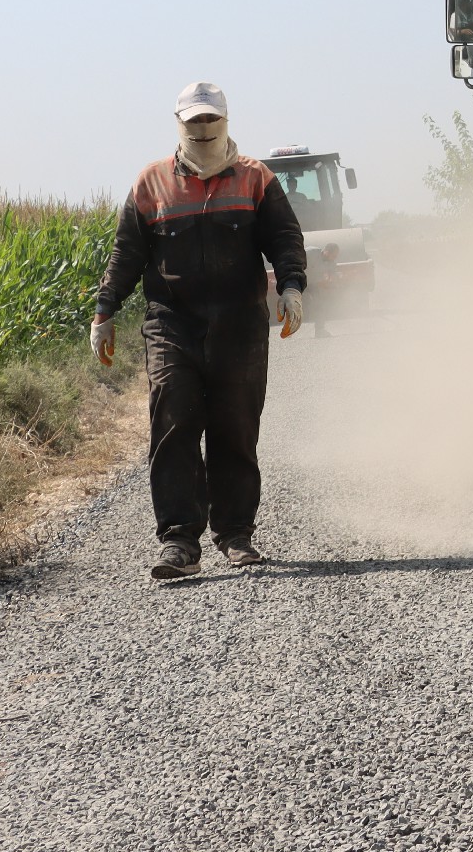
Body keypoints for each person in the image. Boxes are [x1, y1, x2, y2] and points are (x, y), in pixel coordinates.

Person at [91, 81, 309, 579]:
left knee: (235, 428)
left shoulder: (256, 179)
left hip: (240, 326)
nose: (204, 129)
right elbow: (127, 255)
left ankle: (235, 536)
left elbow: (284, 237)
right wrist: (104, 312)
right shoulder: (151, 184)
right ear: (179, 124)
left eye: (211, 120)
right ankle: (179, 542)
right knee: (173, 421)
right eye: (195, 121)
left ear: (226, 122)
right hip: (172, 325)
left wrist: (292, 287)